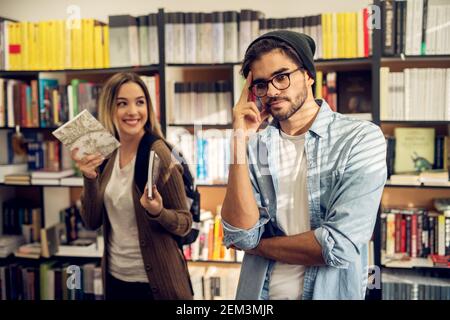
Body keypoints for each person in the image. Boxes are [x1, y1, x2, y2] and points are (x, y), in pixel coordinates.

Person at [221, 31, 387, 300]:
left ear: (309, 75)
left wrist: (258, 246)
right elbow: (240, 237)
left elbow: (338, 246)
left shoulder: (360, 138)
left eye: (281, 77)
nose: (272, 91)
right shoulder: (254, 145)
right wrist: (239, 140)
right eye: (261, 84)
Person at [72, 72, 193, 300]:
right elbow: (91, 221)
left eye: (140, 102)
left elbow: (185, 223)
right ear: (110, 108)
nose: (133, 112)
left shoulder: (160, 154)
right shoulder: (105, 154)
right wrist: (89, 178)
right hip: (116, 280)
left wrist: (158, 212)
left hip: (156, 285)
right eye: (122, 104)